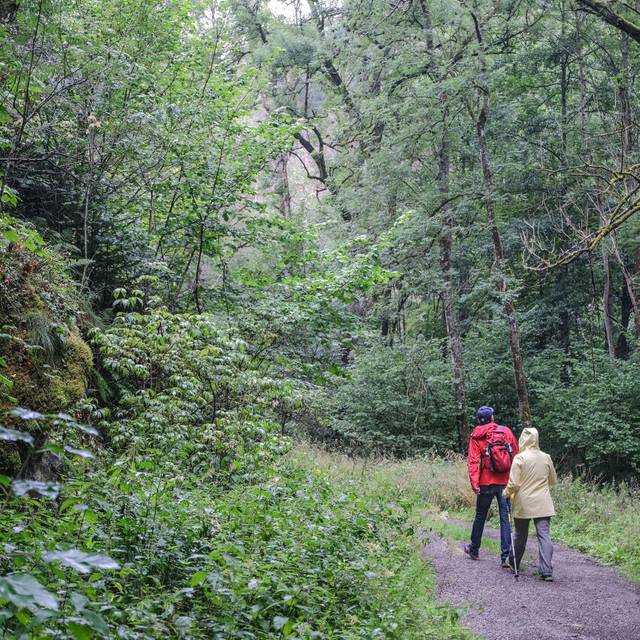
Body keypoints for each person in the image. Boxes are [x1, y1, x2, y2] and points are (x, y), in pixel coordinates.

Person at [464, 406, 519, 567]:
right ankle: (505, 557)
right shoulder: (505, 432)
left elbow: (473, 462)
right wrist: (513, 480)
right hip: (504, 483)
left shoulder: (476, 437)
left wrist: (474, 483)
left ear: (479, 420)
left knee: (480, 516)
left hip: (485, 482)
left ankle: (474, 549)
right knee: (504, 518)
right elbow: (516, 455)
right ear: (492, 418)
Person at [503, 427, 557, 581]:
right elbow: (553, 480)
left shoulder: (520, 458)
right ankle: (546, 571)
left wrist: (505, 493)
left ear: (523, 439)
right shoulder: (546, 457)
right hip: (543, 503)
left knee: (520, 534)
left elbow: (513, 484)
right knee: (544, 535)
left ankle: (514, 562)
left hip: (524, 502)